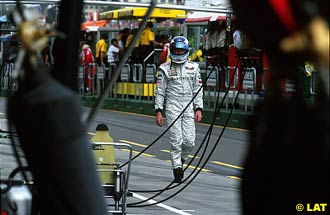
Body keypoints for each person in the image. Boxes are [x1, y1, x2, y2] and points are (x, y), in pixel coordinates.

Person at [154, 36, 203, 183]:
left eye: (182, 50)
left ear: (186, 51)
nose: (179, 52)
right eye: (177, 50)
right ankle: (176, 169)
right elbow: (160, 91)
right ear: (172, 51)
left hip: (188, 105)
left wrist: (198, 108)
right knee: (177, 140)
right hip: (173, 106)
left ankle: (181, 161)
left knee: (189, 142)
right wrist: (158, 110)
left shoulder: (194, 67)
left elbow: (198, 89)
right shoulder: (164, 68)